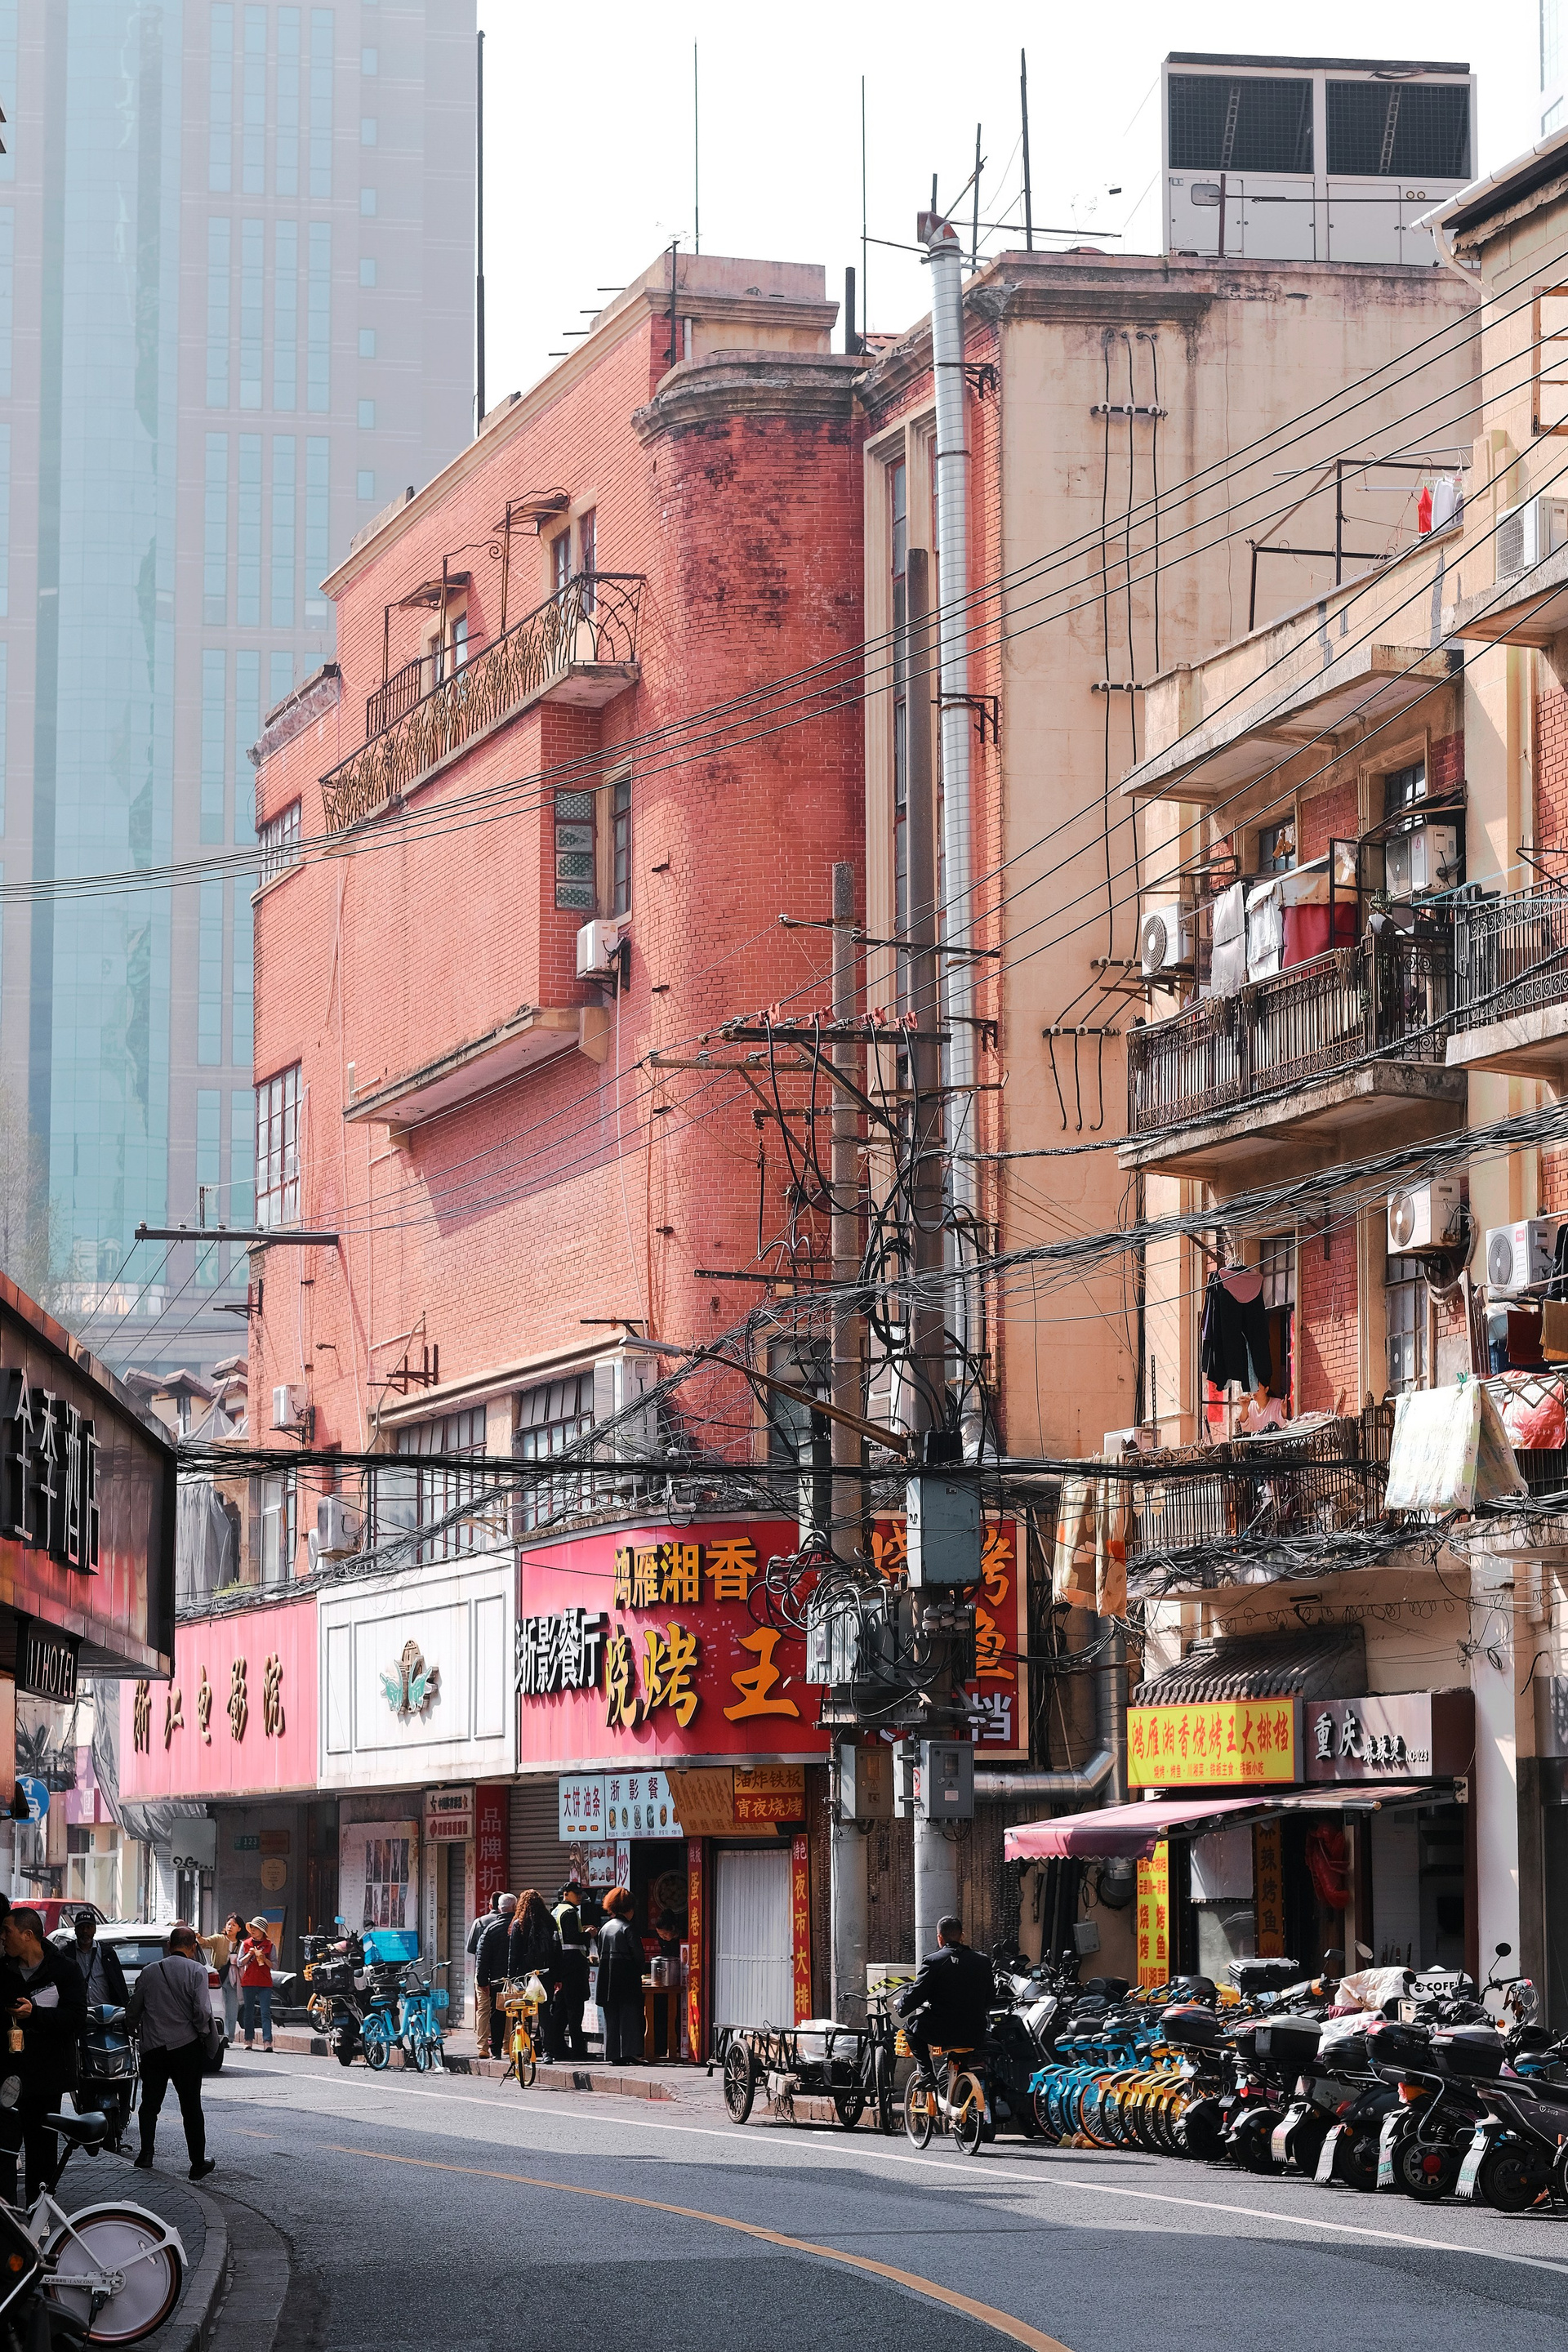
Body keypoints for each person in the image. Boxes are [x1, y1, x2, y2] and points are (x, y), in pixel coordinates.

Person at [0, 1905, 89, 2204]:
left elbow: (76, 2018)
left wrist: (35, 2014)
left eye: (7, 1931)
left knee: (42, 2152)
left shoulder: (63, 1969)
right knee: (4, 2150)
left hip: (46, 2077)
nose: (3, 1938)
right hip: (7, 2075)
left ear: (28, 1935)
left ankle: (39, 2215)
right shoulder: (3, 1970)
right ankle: (8, 2218)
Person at [127, 1925, 217, 2181]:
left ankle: (146, 2153)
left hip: (154, 2047)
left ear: (169, 1946)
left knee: (150, 2104)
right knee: (191, 2106)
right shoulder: (197, 1971)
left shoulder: (149, 1972)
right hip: (186, 2047)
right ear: (193, 1947)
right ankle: (197, 2163)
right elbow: (202, 2010)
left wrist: (132, 2028)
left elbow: (134, 2009)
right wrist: (201, 2032)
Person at [896, 1914, 996, 2087]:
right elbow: (990, 1998)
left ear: (940, 1938)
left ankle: (927, 2075)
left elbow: (917, 1993)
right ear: (962, 1936)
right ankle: (962, 2075)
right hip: (976, 2031)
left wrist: (901, 2007)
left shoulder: (933, 1961)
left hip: (942, 2030)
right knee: (962, 2054)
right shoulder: (983, 1961)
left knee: (910, 2027)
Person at [595, 1887, 644, 2066]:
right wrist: (640, 1972)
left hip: (606, 1977)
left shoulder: (604, 1928)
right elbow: (638, 1956)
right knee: (629, 2016)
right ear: (629, 1908)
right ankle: (630, 2052)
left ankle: (613, 2053)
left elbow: (600, 1953)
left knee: (612, 2017)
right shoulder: (628, 1928)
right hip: (626, 1977)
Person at [474, 1893, 516, 2059]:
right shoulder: (522, 1926)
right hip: (518, 1979)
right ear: (515, 1907)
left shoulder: (489, 1928)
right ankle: (511, 2045)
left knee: (495, 2013)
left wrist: (483, 1980)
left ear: (499, 1908)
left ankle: (494, 2049)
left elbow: (482, 1956)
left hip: (496, 1979)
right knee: (516, 2011)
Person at [549, 1909, 591, 2062]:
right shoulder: (569, 1912)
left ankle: (557, 2048)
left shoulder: (555, 1911)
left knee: (561, 2011)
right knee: (575, 2011)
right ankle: (578, 2050)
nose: (580, 1898)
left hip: (561, 1967)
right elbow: (572, 1937)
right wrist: (588, 1935)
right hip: (573, 1968)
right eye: (577, 1896)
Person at [69, 1913, 128, 2011]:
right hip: (77, 2012)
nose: (85, 1931)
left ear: (95, 1929)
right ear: (75, 1930)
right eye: (82, 1927)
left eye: (89, 1927)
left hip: (107, 2012)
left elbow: (119, 1984)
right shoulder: (67, 1954)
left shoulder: (107, 1953)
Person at [238, 1917, 276, 2051]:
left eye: (256, 1928)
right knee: (248, 2012)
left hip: (265, 1982)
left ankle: (267, 2041)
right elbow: (239, 1962)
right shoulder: (246, 1944)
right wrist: (249, 1955)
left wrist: (264, 1959)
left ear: (262, 1931)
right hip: (249, 1981)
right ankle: (248, 2040)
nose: (253, 1931)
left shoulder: (270, 1945)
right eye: (252, 1928)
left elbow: (275, 1965)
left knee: (265, 2012)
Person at [214, 1914, 246, 2044]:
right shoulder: (219, 1938)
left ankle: (229, 2036)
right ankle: (224, 2035)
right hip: (219, 1977)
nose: (230, 1927)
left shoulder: (242, 1944)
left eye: (233, 1925)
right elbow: (205, 1942)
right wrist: (198, 1937)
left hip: (235, 1979)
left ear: (239, 1928)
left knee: (232, 2010)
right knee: (221, 2008)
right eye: (228, 1924)